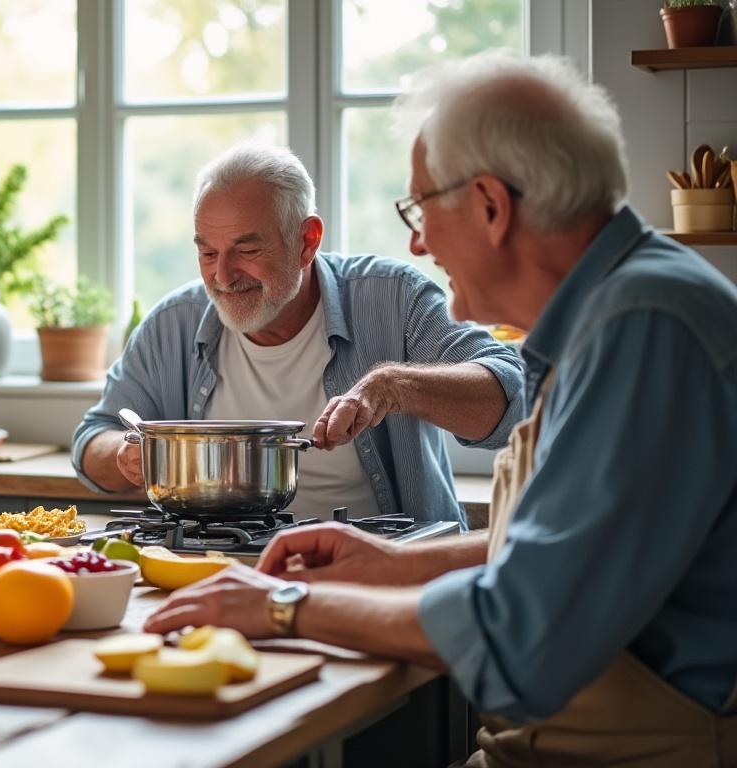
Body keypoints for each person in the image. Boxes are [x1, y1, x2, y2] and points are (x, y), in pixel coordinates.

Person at [145, 52, 737, 767]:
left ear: (490, 205)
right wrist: (392, 562)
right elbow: (574, 551)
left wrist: (282, 607)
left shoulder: (644, 331)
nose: (417, 242)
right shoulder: (616, 311)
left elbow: (525, 635)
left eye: (421, 208)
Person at [73, 142, 524, 524]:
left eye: (247, 249)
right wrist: (127, 456)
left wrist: (394, 386)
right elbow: (93, 438)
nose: (223, 276)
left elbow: (515, 396)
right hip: (218, 569)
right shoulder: (174, 321)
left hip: (382, 575)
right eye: (208, 253)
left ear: (307, 241)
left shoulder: (394, 297)